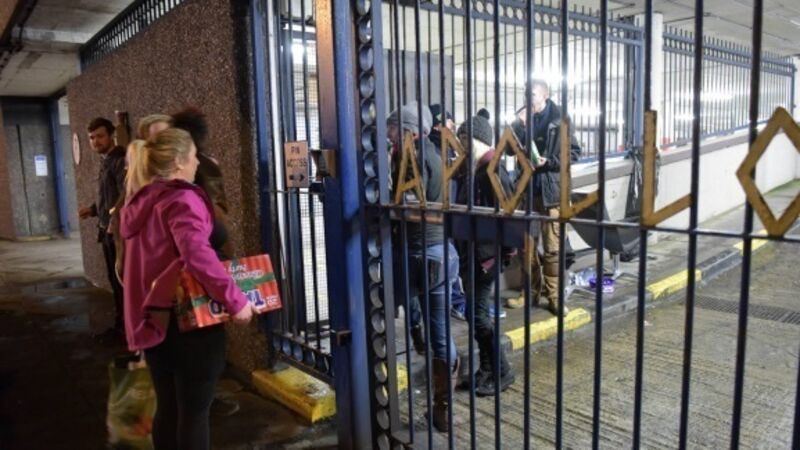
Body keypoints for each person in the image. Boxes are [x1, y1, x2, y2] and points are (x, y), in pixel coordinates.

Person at [120, 129, 255, 450]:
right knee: (194, 414)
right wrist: (236, 301)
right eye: (193, 156)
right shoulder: (182, 198)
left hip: (154, 321)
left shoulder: (143, 200)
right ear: (179, 161)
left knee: (168, 408)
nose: (197, 162)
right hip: (189, 323)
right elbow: (197, 254)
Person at [388, 101, 459, 433]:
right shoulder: (435, 154)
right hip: (442, 253)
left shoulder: (412, 156)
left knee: (381, 313)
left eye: (393, 129)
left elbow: (405, 207)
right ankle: (444, 410)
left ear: (410, 131)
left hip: (419, 254)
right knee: (441, 333)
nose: (389, 135)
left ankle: (375, 403)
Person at [455, 114, 516, 395]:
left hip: (485, 258)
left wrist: (502, 256)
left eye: (466, 140)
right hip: (473, 254)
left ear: (480, 140)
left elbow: (510, 217)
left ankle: (501, 370)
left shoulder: (493, 171)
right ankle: (488, 369)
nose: (462, 146)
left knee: (478, 317)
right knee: (475, 315)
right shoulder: (474, 170)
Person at [509, 79, 581, 315]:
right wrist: (518, 124)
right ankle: (529, 293)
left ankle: (554, 297)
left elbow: (574, 153)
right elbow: (508, 149)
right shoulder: (524, 119)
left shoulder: (560, 120)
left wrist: (549, 162)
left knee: (552, 249)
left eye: (532, 95)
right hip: (528, 192)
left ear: (545, 96)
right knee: (526, 247)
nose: (527, 99)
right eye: (525, 94)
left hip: (552, 194)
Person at [78, 117, 126, 340]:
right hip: (106, 230)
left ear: (111, 135)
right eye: (91, 137)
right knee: (115, 281)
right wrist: (92, 209)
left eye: (100, 136)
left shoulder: (119, 160)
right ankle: (121, 325)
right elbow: (109, 197)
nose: (95, 141)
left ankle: (125, 329)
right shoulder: (106, 160)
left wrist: (115, 219)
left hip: (118, 234)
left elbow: (126, 195)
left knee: (121, 282)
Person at [428, 104, 468, 322]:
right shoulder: (432, 149)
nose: (452, 126)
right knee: (447, 257)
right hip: (440, 214)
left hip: (454, 210)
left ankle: (457, 300)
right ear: (437, 125)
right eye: (448, 123)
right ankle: (455, 301)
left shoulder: (452, 147)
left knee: (455, 257)